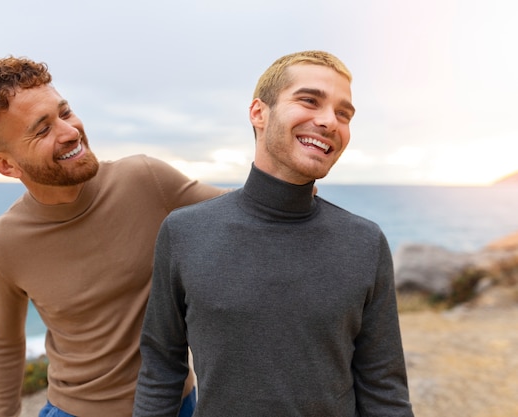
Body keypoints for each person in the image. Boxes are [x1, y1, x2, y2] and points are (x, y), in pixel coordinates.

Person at [133, 50, 415, 416]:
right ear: (258, 113)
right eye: (309, 100)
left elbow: (384, 389)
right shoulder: (185, 233)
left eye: (343, 113)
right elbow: (161, 368)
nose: (330, 121)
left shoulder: (365, 243)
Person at [0, 56, 223, 417]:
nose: (70, 131)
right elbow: (5, 342)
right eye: (42, 129)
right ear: (6, 164)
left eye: (64, 112)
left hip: (176, 405)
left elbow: (248, 211)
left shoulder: (146, 180)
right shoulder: (1, 244)